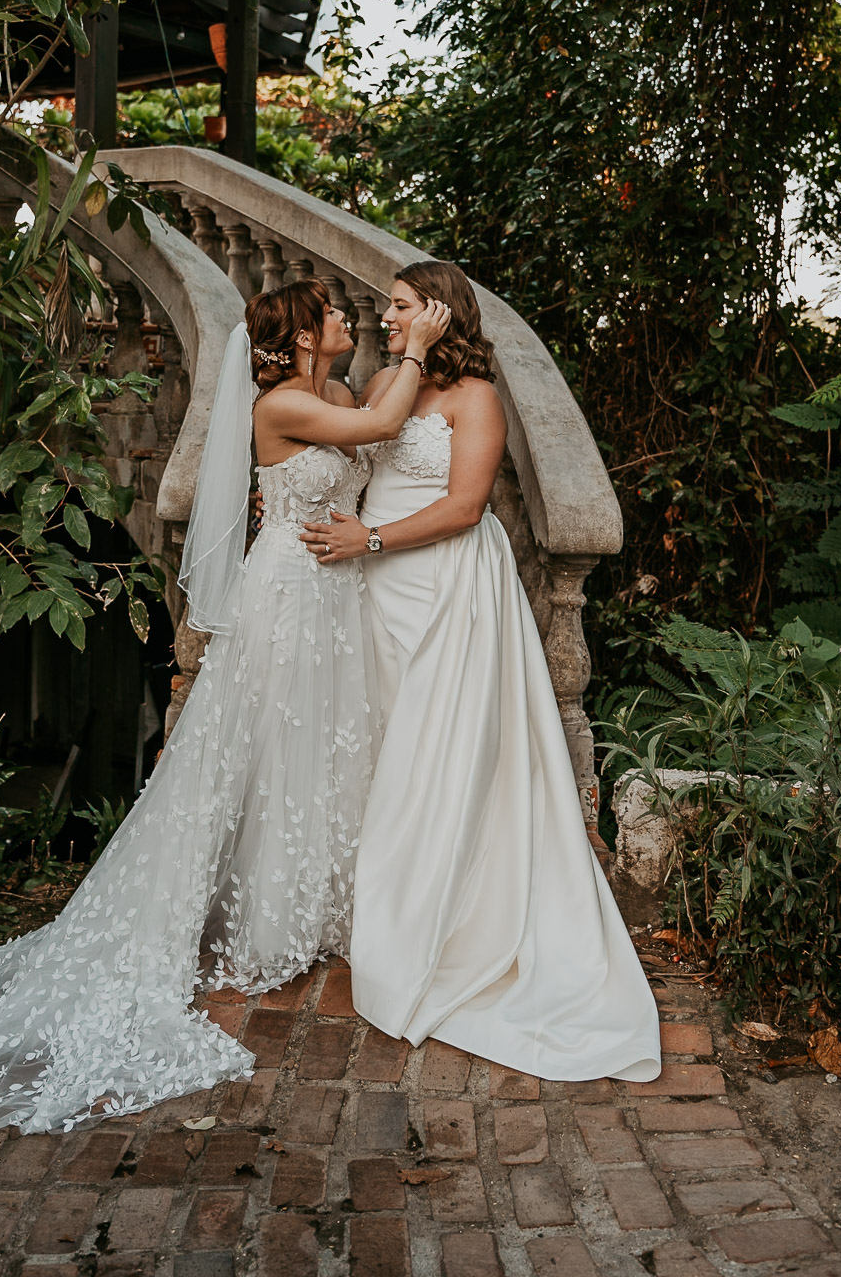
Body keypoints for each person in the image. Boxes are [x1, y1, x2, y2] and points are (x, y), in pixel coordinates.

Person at [0, 278, 450, 1133]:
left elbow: (375, 444)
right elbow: (379, 430)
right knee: (258, 751)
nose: (349, 321)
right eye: (334, 315)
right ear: (303, 336)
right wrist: (417, 348)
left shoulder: (336, 390)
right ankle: (262, 924)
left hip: (341, 601)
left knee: (328, 749)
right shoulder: (279, 407)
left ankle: (320, 909)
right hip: (286, 599)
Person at [300, 261, 661, 1083]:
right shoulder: (391, 382)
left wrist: (375, 540)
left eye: (397, 307)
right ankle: (379, 911)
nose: (382, 317)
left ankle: (442, 926)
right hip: (374, 590)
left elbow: (467, 507)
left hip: (444, 588)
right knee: (384, 750)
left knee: (440, 761)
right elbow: (347, 459)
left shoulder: (477, 399)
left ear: (435, 312)